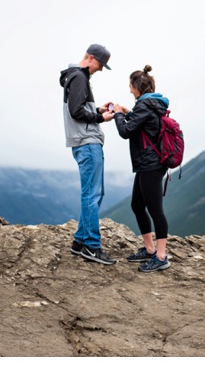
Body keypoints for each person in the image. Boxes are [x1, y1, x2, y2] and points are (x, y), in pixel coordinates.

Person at [59, 44, 116, 265]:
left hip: (80, 142)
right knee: (92, 195)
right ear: (91, 58)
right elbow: (76, 112)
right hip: (87, 142)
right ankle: (92, 247)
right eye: (100, 64)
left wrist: (97, 110)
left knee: (91, 193)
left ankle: (80, 241)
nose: (100, 69)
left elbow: (79, 109)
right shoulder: (80, 77)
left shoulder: (72, 77)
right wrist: (102, 119)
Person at [113, 65, 171, 272]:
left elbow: (126, 131)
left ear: (137, 87)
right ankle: (149, 249)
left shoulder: (145, 106)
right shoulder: (148, 105)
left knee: (155, 210)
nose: (129, 90)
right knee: (137, 205)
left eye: (130, 86)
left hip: (151, 165)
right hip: (147, 164)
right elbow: (141, 125)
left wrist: (119, 114)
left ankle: (161, 256)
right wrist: (128, 112)